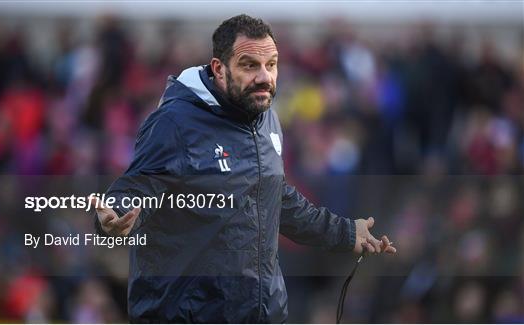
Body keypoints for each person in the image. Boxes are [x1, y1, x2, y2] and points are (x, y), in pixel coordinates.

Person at [90, 14, 396, 323]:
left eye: (271, 64)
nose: (264, 77)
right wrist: (113, 220)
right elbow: (137, 188)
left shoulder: (267, 119)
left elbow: (275, 199)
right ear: (219, 70)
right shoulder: (175, 123)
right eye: (250, 65)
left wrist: (344, 232)